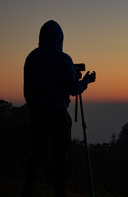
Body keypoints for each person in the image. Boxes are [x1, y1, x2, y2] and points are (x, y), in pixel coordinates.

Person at [22, 20, 96, 197]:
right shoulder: (63, 59)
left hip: (37, 114)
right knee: (59, 159)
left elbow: (27, 90)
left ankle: (26, 192)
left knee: (37, 155)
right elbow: (73, 89)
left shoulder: (31, 57)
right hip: (57, 114)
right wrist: (85, 80)